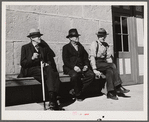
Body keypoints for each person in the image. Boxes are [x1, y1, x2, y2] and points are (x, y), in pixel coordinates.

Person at [18, 28, 63, 110]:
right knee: (52, 75)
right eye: (37, 37)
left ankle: (52, 99)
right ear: (32, 38)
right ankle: (54, 98)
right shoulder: (25, 47)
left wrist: (46, 63)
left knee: (52, 72)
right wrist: (32, 58)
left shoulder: (43, 48)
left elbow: (50, 58)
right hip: (30, 69)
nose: (40, 38)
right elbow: (23, 63)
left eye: (39, 36)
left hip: (42, 69)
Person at [90, 28, 130, 100]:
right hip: (97, 63)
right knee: (112, 66)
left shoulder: (106, 45)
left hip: (104, 63)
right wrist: (94, 69)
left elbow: (108, 57)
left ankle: (110, 92)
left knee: (110, 71)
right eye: (100, 36)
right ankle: (118, 86)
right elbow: (92, 57)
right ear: (98, 36)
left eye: (104, 36)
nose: (102, 38)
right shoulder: (94, 43)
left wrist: (111, 65)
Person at [62, 28, 95, 101]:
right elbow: (65, 61)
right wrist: (73, 67)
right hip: (70, 68)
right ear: (70, 38)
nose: (77, 37)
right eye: (75, 36)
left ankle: (76, 90)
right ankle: (78, 95)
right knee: (74, 76)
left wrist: (86, 65)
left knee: (91, 75)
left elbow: (85, 57)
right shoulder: (66, 47)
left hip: (82, 67)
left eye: (77, 36)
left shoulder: (81, 47)